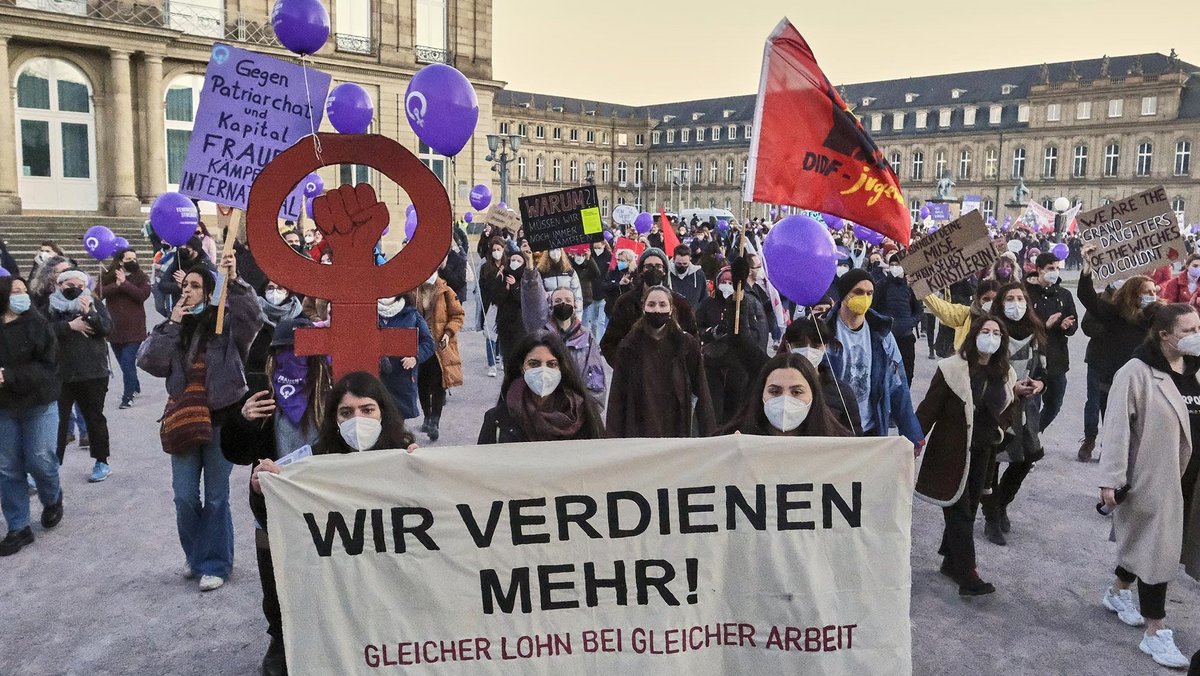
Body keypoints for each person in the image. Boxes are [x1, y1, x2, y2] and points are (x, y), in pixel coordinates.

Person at [245, 371, 415, 675]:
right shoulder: (312, 459)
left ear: (382, 412)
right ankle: (284, 641)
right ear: (334, 418)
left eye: (367, 410)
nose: (357, 420)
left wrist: (425, 472)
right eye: (346, 412)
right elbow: (276, 515)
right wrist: (262, 488)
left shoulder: (404, 453)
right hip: (335, 581)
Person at [137, 253, 265, 591]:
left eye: (196, 285)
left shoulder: (225, 323)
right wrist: (172, 325)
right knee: (184, 497)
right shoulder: (173, 326)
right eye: (185, 285)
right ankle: (196, 555)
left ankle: (216, 564)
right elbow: (150, 361)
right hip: (184, 420)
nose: (188, 290)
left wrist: (234, 281)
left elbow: (254, 315)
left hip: (221, 420)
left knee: (217, 496)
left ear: (209, 292)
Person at [1098, 303, 1200, 669]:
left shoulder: (1195, 370)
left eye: (1197, 327)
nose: (1195, 336)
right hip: (1155, 476)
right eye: (1187, 331)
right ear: (1164, 336)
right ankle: (1155, 632)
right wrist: (1111, 478)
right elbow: (1117, 428)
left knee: (1153, 543)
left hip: (1193, 476)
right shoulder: (1137, 373)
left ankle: (1117, 592)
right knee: (1158, 550)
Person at [916, 318, 1033, 595]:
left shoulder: (1005, 373)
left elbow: (1006, 407)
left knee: (967, 503)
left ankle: (949, 559)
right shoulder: (950, 369)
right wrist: (912, 439)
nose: (990, 337)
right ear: (974, 335)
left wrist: (1000, 430)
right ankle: (968, 575)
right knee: (960, 511)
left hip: (983, 452)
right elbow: (928, 409)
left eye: (996, 333)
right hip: (950, 451)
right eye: (985, 332)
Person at [980, 282, 1047, 545]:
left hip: (1027, 410)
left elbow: (1043, 369)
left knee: (1025, 459)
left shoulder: (1035, 330)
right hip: (998, 407)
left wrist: (1041, 384)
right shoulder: (991, 331)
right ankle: (991, 518)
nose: (1016, 303)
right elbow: (980, 369)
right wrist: (1009, 386)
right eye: (1010, 298)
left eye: (1021, 298)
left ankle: (1000, 504)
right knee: (992, 462)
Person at [824, 269, 923, 446]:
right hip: (833, 430)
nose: (865, 297)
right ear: (845, 294)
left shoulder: (882, 334)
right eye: (859, 292)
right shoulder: (825, 332)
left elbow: (899, 387)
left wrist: (912, 434)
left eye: (869, 293)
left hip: (870, 430)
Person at [0, 276, 63, 556]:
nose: (22, 295)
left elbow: (48, 367)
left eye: (24, 290)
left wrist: (8, 375)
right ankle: (18, 527)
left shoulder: (38, 324)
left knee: (40, 459)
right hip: (4, 408)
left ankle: (52, 498)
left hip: (38, 403)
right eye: (15, 291)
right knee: (8, 468)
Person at [1077, 250, 1159, 461]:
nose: (1152, 294)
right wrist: (1087, 268)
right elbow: (1086, 297)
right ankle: (1101, 445)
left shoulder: (1158, 316)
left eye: (1153, 290)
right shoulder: (1115, 314)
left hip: (1142, 379)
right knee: (1110, 416)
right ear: (1134, 295)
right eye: (1146, 291)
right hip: (1111, 374)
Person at [607, 286, 715, 437]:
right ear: (643, 307)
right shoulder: (629, 345)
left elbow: (702, 391)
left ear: (671, 309)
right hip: (639, 429)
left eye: (662, 304)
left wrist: (709, 434)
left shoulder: (686, 345)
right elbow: (617, 397)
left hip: (675, 428)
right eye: (651, 304)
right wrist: (613, 438)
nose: (657, 310)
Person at [477, 331, 605, 443]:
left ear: (562, 368)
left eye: (551, 364)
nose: (543, 371)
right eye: (534, 364)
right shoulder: (498, 420)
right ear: (521, 367)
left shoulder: (585, 416)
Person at [47, 269, 114, 482]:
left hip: (93, 373)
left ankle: (101, 461)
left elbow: (107, 328)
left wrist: (90, 315)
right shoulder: (49, 307)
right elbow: (41, 332)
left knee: (94, 419)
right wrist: (68, 326)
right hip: (61, 374)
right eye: (68, 285)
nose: (73, 289)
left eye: (78, 285)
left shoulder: (93, 303)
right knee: (58, 422)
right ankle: (52, 466)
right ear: (59, 286)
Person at [600, 248, 699, 364]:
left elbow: (693, 342)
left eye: (658, 266)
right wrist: (625, 367)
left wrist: (680, 369)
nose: (653, 270)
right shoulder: (626, 302)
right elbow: (610, 342)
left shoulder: (680, 303)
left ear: (664, 271)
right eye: (648, 266)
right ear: (641, 270)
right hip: (636, 375)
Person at [696, 264, 768, 425]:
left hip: (738, 364)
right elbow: (697, 327)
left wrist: (741, 336)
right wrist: (713, 331)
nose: (726, 286)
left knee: (736, 407)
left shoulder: (744, 304)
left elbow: (756, 332)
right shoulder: (708, 304)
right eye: (724, 282)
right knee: (713, 408)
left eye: (730, 283)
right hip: (713, 362)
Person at [727, 353, 853, 436]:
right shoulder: (732, 437)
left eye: (796, 392)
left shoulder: (841, 444)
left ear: (813, 395)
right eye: (775, 392)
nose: (785, 399)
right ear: (762, 394)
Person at [779, 317, 862, 435]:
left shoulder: (841, 392)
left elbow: (855, 437)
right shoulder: (777, 387)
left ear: (825, 346)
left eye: (815, 345)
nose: (808, 350)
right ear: (788, 346)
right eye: (800, 345)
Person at [1028, 252, 1078, 433]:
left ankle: (1032, 435)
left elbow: (1074, 325)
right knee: (1031, 407)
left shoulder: (1064, 294)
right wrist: (1045, 325)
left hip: (1057, 360)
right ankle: (1029, 445)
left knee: (1054, 405)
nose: (1055, 272)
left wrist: (1066, 326)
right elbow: (1021, 325)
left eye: (1057, 268)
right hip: (1033, 359)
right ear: (1039, 270)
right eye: (1050, 268)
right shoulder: (1027, 293)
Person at [413, 270, 464, 441]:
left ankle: (435, 421)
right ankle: (427, 417)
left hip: (440, 344)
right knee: (422, 383)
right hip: (420, 344)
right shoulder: (414, 290)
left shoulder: (445, 291)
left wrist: (448, 333)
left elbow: (458, 315)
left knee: (439, 383)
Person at [534, 287, 606, 407]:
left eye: (568, 300)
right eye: (557, 301)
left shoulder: (586, 335)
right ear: (550, 306)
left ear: (575, 305)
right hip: (547, 406)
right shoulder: (542, 335)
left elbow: (596, 376)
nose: (563, 303)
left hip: (578, 408)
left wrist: (590, 410)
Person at [98, 248, 151, 410]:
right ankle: (135, 385)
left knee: (128, 362)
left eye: (134, 258)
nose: (132, 261)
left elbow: (141, 295)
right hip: (114, 329)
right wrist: (116, 285)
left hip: (135, 329)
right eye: (128, 258)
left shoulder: (141, 277)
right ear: (120, 261)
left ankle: (128, 396)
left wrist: (125, 284)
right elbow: (98, 294)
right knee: (123, 363)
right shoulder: (107, 277)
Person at [377, 291, 436, 424]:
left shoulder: (411, 314)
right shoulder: (367, 313)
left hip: (401, 378)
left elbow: (428, 343)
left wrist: (415, 357)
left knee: (397, 423)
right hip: (376, 377)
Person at [872, 255, 923, 387]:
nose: (895, 267)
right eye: (892, 264)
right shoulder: (882, 285)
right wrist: (884, 323)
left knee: (907, 374)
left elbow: (918, 311)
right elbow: (873, 309)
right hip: (887, 339)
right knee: (885, 376)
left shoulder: (912, 287)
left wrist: (910, 322)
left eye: (898, 264)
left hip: (906, 338)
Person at [480, 247, 529, 367]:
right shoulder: (503, 275)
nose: (515, 263)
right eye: (513, 260)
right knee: (506, 352)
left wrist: (514, 286)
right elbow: (496, 299)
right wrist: (501, 283)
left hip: (519, 323)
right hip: (503, 322)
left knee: (518, 351)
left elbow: (524, 301)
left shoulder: (525, 278)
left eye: (518, 261)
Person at [922, 280, 1001, 352]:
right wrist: (920, 286)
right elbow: (941, 308)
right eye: (986, 299)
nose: (991, 303)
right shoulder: (966, 314)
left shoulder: (1005, 318)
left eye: (995, 299)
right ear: (978, 299)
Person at [477, 237, 508, 378]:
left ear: (503, 250)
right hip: (491, 304)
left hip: (505, 304)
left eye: (499, 249)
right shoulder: (486, 267)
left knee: (502, 332)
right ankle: (491, 365)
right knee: (490, 335)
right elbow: (485, 287)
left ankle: (500, 356)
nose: (496, 252)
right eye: (494, 250)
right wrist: (497, 277)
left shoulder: (508, 265)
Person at [583, 240, 612, 338]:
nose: (597, 250)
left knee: (601, 321)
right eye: (595, 248)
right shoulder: (591, 256)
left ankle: (600, 342)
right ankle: (594, 340)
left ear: (604, 245)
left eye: (599, 248)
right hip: (592, 292)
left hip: (604, 293)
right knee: (592, 320)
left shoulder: (609, 257)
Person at [669, 244, 708, 310]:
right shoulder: (667, 273)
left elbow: (704, 296)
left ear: (690, 259)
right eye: (679, 263)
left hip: (693, 314)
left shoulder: (699, 274)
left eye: (685, 264)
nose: (682, 266)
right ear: (673, 259)